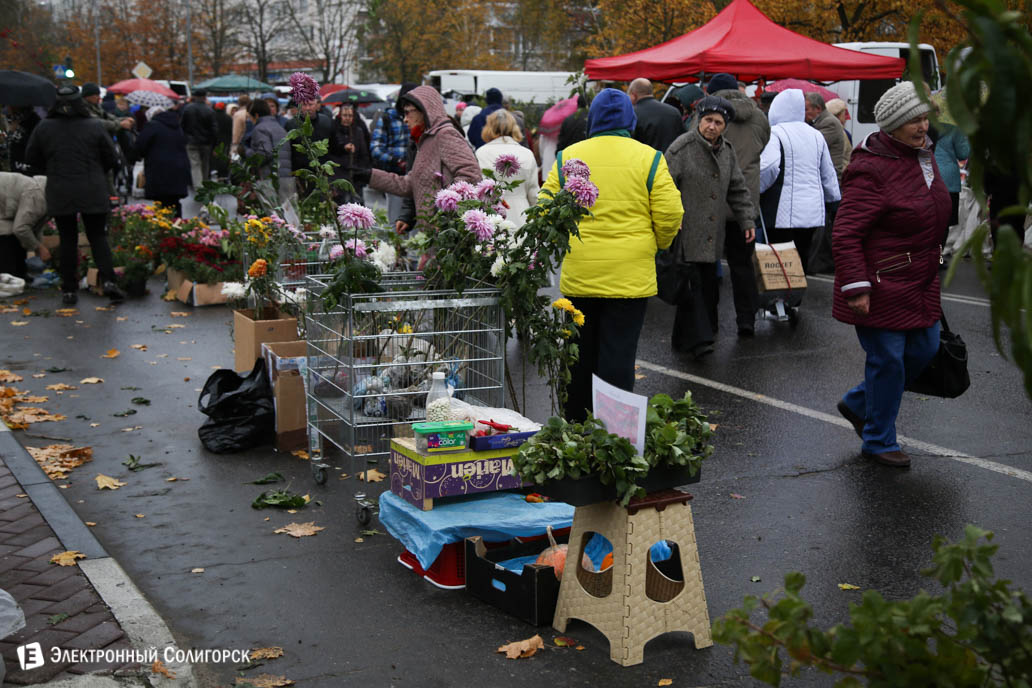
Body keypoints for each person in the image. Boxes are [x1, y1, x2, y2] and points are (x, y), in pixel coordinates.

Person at [541, 88, 683, 421]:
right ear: (630, 120)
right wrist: (658, 244)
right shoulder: (649, 158)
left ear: (593, 120)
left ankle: (575, 425)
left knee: (579, 356)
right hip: (630, 278)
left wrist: (568, 242)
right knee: (618, 357)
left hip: (581, 276)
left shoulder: (569, 157)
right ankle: (614, 433)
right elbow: (671, 213)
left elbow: (545, 211)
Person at [832, 81, 951, 468]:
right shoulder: (871, 168)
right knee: (889, 361)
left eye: (923, 118)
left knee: (926, 349)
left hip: (920, 282)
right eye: (913, 121)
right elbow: (847, 232)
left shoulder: (924, 157)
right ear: (892, 126)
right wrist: (856, 287)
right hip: (880, 284)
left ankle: (857, 402)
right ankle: (879, 440)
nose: (922, 127)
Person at [666, 96, 757, 357]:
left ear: (725, 125)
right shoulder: (681, 148)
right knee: (691, 286)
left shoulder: (726, 150)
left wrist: (746, 219)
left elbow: (738, 189)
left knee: (707, 286)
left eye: (718, 122)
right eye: (708, 120)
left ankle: (696, 337)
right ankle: (697, 341)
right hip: (687, 231)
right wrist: (672, 217)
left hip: (712, 234)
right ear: (699, 120)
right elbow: (663, 186)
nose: (712, 127)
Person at [25, 85, 123, 304]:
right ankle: (109, 281)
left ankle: (69, 289)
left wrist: (52, 170)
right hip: (93, 187)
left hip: (61, 189)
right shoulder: (94, 125)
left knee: (67, 239)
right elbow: (111, 158)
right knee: (98, 237)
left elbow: (32, 158)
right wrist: (97, 172)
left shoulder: (44, 127)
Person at [700, 73, 769, 336]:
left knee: (708, 266)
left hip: (712, 201)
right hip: (745, 203)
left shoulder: (707, 115)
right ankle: (746, 320)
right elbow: (763, 144)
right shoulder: (759, 117)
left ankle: (710, 322)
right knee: (743, 266)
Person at [366, 85, 482, 232]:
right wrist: (368, 175)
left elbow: (471, 174)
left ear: (425, 110)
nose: (405, 119)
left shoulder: (445, 135)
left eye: (408, 113)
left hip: (448, 234)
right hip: (434, 233)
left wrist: (445, 211)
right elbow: (411, 183)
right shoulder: (424, 140)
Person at [759, 89, 840, 274]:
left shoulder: (776, 133)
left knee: (779, 260)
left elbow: (768, 167)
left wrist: (757, 190)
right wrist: (834, 201)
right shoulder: (816, 135)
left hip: (781, 210)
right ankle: (795, 300)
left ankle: (779, 299)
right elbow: (828, 174)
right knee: (801, 255)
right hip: (812, 211)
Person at [805, 92, 852, 274]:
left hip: (829, 182)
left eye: (807, 109)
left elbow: (811, 144)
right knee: (822, 225)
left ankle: (818, 263)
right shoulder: (820, 122)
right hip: (822, 181)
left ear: (817, 109)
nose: (805, 112)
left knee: (822, 226)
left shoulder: (829, 124)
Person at [475, 110, 539, 227]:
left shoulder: (480, 153)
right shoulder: (527, 154)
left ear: (488, 127)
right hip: (522, 215)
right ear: (515, 128)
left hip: (490, 217)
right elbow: (534, 193)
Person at [370, 83, 415, 226]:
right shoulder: (388, 118)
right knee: (395, 219)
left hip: (416, 176)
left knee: (417, 221)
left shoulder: (421, 118)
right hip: (395, 175)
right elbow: (376, 148)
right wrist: (395, 160)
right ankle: (397, 247)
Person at [134, 105, 191, 217]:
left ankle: (165, 229)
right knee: (174, 202)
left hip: (159, 170)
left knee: (161, 202)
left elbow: (140, 146)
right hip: (178, 168)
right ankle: (177, 226)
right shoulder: (176, 125)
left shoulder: (152, 126)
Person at [244, 99, 293, 207]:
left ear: (256, 115)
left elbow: (265, 153)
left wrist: (247, 152)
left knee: (273, 211)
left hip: (270, 176)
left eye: (250, 117)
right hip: (285, 175)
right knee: (287, 212)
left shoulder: (260, 129)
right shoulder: (279, 127)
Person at [0, 172, 49, 279]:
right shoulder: (38, 196)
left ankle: (18, 273)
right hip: (4, 205)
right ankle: (10, 274)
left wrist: (37, 246)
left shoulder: (46, 195)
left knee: (16, 232)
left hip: (6, 205)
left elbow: (35, 226)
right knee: (8, 232)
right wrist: (39, 248)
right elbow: (21, 228)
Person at [934, 120, 971, 252]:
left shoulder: (919, 127)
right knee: (944, 223)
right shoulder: (953, 130)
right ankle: (938, 258)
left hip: (925, 176)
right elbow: (963, 154)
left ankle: (924, 258)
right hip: (948, 180)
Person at [285, 97, 334, 194]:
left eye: (310, 104)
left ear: (317, 105)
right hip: (300, 173)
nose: (308, 108)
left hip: (322, 171)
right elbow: (288, 151)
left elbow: (333, 147)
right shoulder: (291, 124)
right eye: (304, 105)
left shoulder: (327, 122)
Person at [329, 103, 371, 205]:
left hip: (355, 175)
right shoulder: (334, 130)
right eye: (345, 115)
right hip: (338, 175)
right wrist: (343, 147)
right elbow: (332, 149)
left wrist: (362, 171)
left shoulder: (358, 131)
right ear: (340, 116)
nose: (347, 118)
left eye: (350, 116)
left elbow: (364, 154)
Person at [628, 78, 684, 153]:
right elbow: (682, 139)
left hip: (646, 161)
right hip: (671, 160)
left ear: (633, 95)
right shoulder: (674, 112)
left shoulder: (632, 114)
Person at [180, 89, 219, 190]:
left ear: (195, 97)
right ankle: (204, 183)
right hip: (206, 142)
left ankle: (198, 185)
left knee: (195, 164)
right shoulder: (210, 110)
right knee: (205, 164)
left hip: (191, 141)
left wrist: (185, 137)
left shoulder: (188, 109)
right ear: (205, 97)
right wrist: (214, 144)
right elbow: (214, 129)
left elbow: (182, 125)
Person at [7, 106, 41, 176]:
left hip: (26, 173)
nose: (8, 107)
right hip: (12, 171)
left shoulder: (34, 122)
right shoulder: (13, 120)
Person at [213, 101, 233, 179]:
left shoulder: (213, 117)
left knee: (217, 157)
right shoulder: (228, 117)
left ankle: (218, 173)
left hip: (216, 140)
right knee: (224, 156)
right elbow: (230, 130)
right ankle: (224, 174)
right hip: (226, 141)